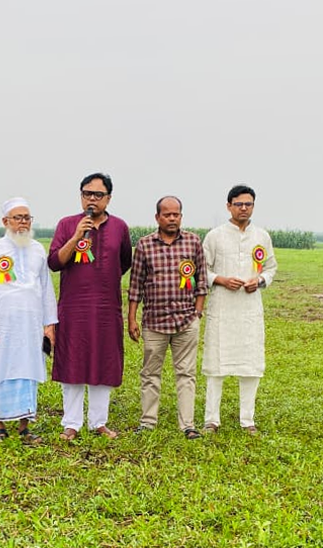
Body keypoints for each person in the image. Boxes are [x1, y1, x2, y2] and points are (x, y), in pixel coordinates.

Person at [48, 173, 132, 440]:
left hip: (107, 308)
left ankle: (99, 422)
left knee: (103, 362)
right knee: (72, 360)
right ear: (81, 195)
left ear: (108, 198)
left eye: (98, 195)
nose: (92, 199)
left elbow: (124, 262)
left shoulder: (120, 227)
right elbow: (54, 262)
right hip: (74, 307)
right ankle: (71, 423)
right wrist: (75, 237)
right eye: (87, 194)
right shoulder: (67, 224)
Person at [0, 198, 57, 443]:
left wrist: (49, 325)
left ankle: (25, 427)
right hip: (2, 324)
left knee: (28, 370)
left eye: (27, 218)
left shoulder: (38, 250)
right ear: (5, 221)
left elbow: (46, 289)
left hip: (31, 325)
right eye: (18, 217)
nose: (23, 222)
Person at [127, 196, 206, 438]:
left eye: (176, 214)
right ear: (157, 217)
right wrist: (131, 318)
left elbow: (201, 281)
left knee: (186, 373)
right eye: (167, 214)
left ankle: (188, 425)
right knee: (150, 373)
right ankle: (148, 421)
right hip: (154, 322)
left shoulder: (193, 242)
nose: (172, 218)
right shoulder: (145, 244)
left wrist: (198, 312)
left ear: (181, 216)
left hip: (186, 321)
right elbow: (136, 284)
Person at [201, 184, 277, 434]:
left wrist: (261, 280)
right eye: (239, 204)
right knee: (216, 364)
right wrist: (220, 280)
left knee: (250, 364)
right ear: (228, 206)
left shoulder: (262, 236)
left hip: (249, 307)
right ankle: (212, 419)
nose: (243, 208)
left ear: (253, 206)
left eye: (248, 204)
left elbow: (270, 267)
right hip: (222, 306)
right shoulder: (215, 236)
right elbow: (202, 270)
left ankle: (248, 420)